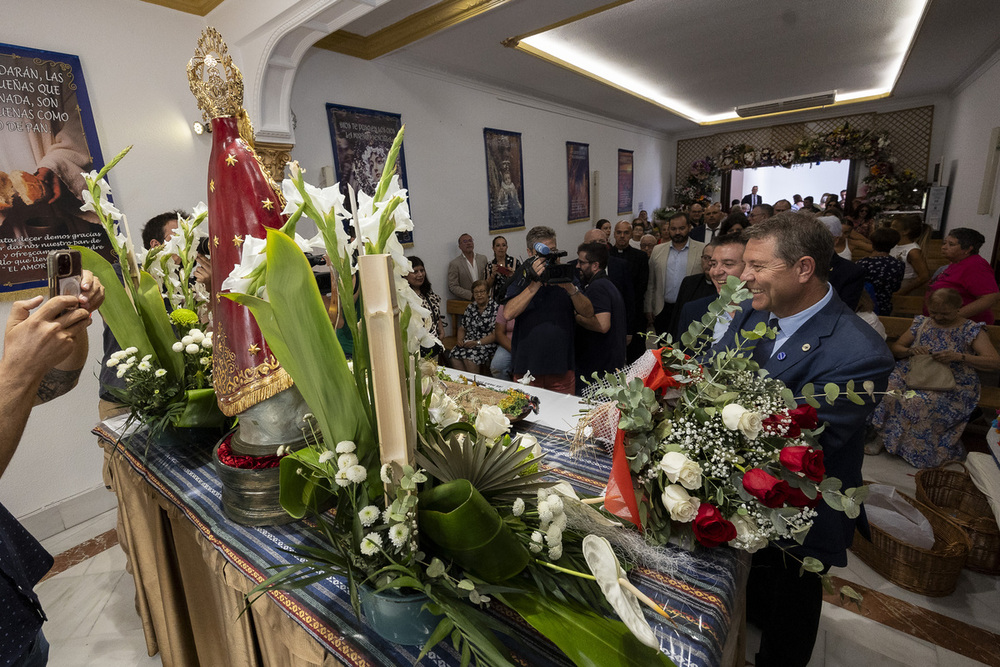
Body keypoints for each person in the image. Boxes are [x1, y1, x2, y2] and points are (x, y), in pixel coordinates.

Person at [716, 212, 894, 667]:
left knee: (790, 603)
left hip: (803, 507)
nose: (745, 276)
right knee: (751, 587)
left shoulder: (860, 353)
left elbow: (802, 442)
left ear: (804, 268)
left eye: (758, 266)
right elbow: (714, 379)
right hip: (742, 490)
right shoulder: (752, 314)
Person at [1, 272, 105, 667]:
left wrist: (72, 327)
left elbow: (56, 384)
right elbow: (18, 384)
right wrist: (17, 369)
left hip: (14, 606)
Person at [869, 288, 1000, 467]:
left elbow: (994, 361)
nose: (938, 317)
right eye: (934, 312)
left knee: (920, 401)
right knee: (886, 390)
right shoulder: (921, 323)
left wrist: (959, 356)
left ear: (958, 308)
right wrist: (910, 351)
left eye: (945, 314)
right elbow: (897, 347)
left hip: (954, 381)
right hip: (917, 372)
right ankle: (884, 438)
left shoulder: (970, 329)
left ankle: (915, 450)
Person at [504, 226, 594, 394]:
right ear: (530, 253)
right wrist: (535, 283)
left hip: (561, 366)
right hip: (527, 368)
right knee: (526, 416)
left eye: (553, 251)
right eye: (544, 253)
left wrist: (569, 287)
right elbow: (508, 313)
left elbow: (588, 312)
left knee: (563, 417)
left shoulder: (566, 275)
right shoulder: (522, 277)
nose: (549, 258)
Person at [574, 241, 626, 395]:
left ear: (595, 265)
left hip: (599, 369)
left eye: (582, 262)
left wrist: (576, 317)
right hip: (608, 364)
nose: (577, 266)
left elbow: (602, 325)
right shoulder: (607, 284)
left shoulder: (598, 287)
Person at [675, 233, 747, 343]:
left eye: (727, 264)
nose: (716, 272)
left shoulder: (766, 314)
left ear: (749, 268)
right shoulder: (693, 312)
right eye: (713, 264)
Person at [924, 227, 1000, 324]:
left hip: (963, 325)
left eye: (951, 244)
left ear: (968, 249)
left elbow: (990, 297)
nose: (944, 247)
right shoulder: (956, 263)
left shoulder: (976, 265)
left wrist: (953, 316)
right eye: (944, 243)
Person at [645, 213, 704, 335]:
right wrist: (649, 308)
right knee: (664, 350)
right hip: (663, 309)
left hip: (690, 309)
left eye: (681, 228)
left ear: (688, 227)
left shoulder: (701, 250)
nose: (677, 232)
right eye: (673, 229)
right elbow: (651, 282)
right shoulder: (657, 250)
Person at [610, 220, 649, 361]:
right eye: (619, 232)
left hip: (634, 313)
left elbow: (641, 287)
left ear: (631, 234)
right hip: (611, 313)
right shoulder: (607, 256)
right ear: (614, 234)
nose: (622, 236)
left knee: (636, 356)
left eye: (626, 233)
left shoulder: (640, 257)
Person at [668, 241, 717, 338]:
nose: (709, 263)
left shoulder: (724, 287)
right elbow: (677, 316)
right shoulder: (689, 282)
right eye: (706, 258)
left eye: (713, 259)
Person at [448, 280, 498, 374]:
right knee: (454, 354)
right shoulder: (470, 307)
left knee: (470, 357)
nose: (479, 295)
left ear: (488, 293)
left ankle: (474, 384)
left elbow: (495, 335)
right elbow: (462, 328)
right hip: (469, 342)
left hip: (486, 344)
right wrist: (460, 340)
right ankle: (463, 383)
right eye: (476, 293)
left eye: (482, 292)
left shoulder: (495, 308)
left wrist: (477, 343)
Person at [856, 227, 905, 316]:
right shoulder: (897, 264)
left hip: (864, 308)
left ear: (873, 243)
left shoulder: (862, 263)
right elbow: (896, 287)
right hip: (885, 305)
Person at [406, 257, 445, 354]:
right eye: (415, 272)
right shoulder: (405, 296)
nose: (420, 274)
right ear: (405, 274)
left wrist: (441, 328)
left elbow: (436, 312)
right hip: (416, 345)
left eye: (422, 270)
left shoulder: (428, 293)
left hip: (434, 340)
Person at [890, 213, 930, 296]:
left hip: (904, 285)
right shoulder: (894, 244)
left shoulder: (913, 251)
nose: (890, 229)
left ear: (905, 231)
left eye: (894, 227)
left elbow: (924, 276)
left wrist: (902, 291)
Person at [447, 233, 488, 300]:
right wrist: (471, 295)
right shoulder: (455, 264)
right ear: (459, 246)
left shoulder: (482, 259)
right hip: (467, 301)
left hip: (484, 299)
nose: (468, 243)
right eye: (465, 241)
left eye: (470, 241)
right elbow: (453, 286)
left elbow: (486, 278)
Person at [485, 235, 519, 304]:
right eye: (498, 245)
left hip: (513, 297)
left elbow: (522, 281)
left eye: (503, 245)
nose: (501, 248)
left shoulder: (514, 262)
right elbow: (487, 287)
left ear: (507, 247)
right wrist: (493, 275)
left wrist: (513, 275)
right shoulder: (489, 265)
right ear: (493, 248)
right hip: (496, 299)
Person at [490, 304, 514, 380]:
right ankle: (508, 390)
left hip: (529, 344)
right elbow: (499, 333)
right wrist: (515, 350)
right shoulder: (505, 305)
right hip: (508, 343)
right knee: (497, 366)